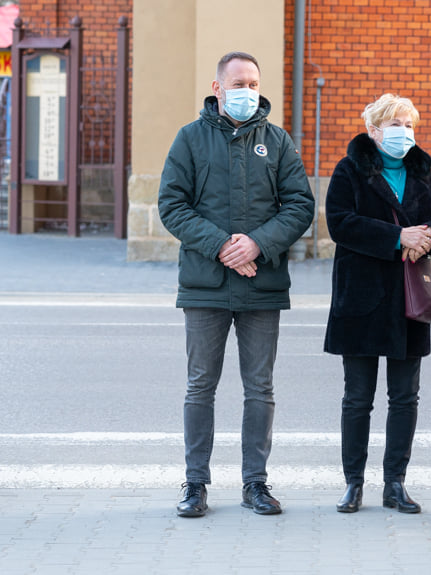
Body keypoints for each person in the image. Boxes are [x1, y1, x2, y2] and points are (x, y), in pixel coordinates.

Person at [158, 52, 314, 517]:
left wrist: (258, 244)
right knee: (199, 386)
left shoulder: (278, 141)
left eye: (253, 82)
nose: (247, 91)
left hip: (262, 286)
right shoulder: (189, 139)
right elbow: (172, 204)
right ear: (217, 87)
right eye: (238, 83)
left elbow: (299, 206)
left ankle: (256, 484)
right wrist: (225, 246)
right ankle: (195, 484)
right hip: (205, 284)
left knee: (259, 388)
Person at [324, 93, 431, 514]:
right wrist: (398, 237)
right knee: (357, 397)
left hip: (408, 300)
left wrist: (429, 236)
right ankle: (353, 484)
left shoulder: (421, 171)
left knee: (405, 396)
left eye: (409, 124)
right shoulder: (350, 169)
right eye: (396, 124)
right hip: (361, 296)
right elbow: (339, 223)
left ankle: (395, 483)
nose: (405, 132)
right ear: (374, 130)